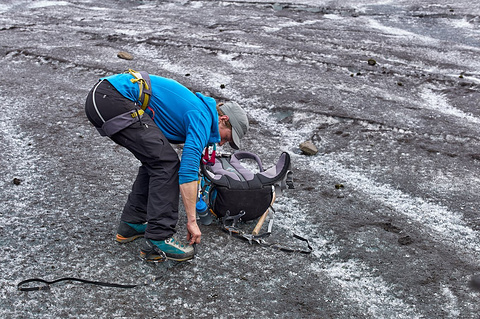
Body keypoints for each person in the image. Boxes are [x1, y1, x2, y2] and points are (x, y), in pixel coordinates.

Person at [84, 71, 249, 262]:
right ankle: (159, 239)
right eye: (226, 137)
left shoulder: (200, 112)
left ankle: (132, 223)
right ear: (223, 119)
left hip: (103, 97)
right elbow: (187, 172)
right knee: (167, 165)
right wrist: (192, 221)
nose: (221, 144)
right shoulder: (202, 117)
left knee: (157, 161)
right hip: (112, 98)